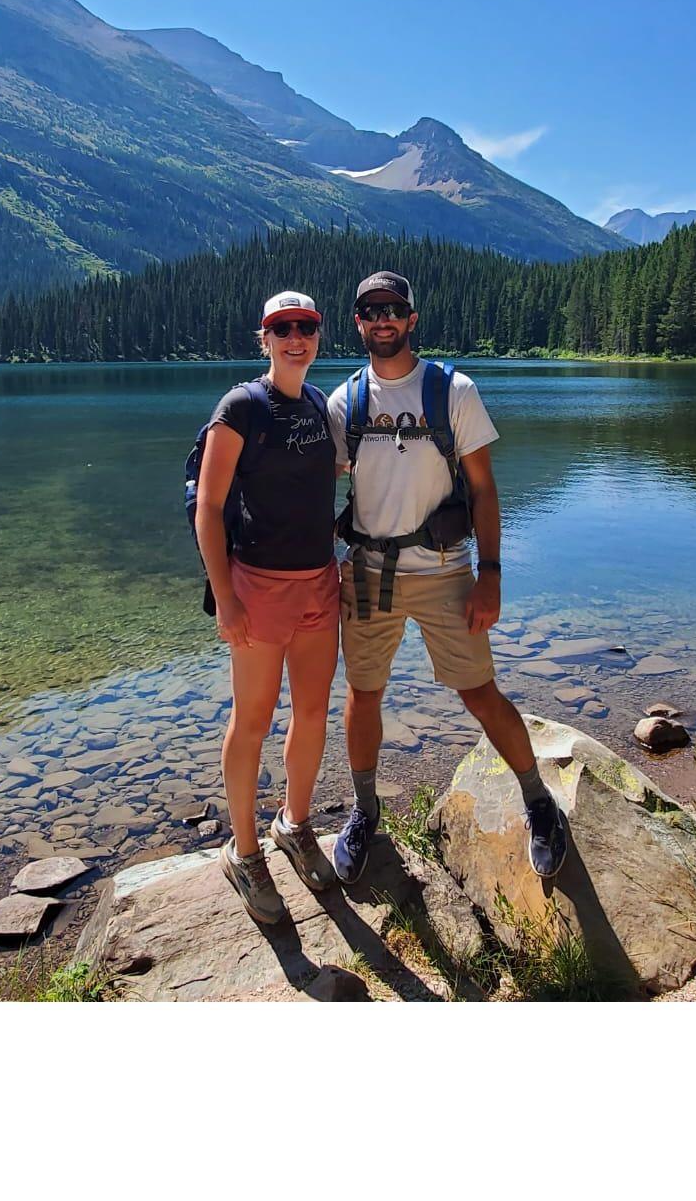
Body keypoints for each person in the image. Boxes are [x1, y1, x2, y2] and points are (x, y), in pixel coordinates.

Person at [327, 270, 569, 885]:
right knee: (364, 695)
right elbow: (313, 492)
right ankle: (364, 810)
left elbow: (485, 490)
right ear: (358, 322)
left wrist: (491, 576)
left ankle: (538, 802)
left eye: (393, 309)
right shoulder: (343, 403)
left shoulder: (452, 390)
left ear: (411, 319)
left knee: (479, 692)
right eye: (369, 310)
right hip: (367, 574)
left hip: (444, 572)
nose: (382, 319)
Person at [193, 291, 341, 924]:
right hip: (257, 586)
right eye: (283, 328)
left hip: (320, 585)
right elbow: (208, 506)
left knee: (311, 711)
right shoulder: (241, 407)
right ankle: (245, 851)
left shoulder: (317, 404)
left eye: (305, 327)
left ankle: (295, 822)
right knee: (251, 719)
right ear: (265, 338)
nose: (295, 338)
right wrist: (225, 595)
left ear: (317, 334)